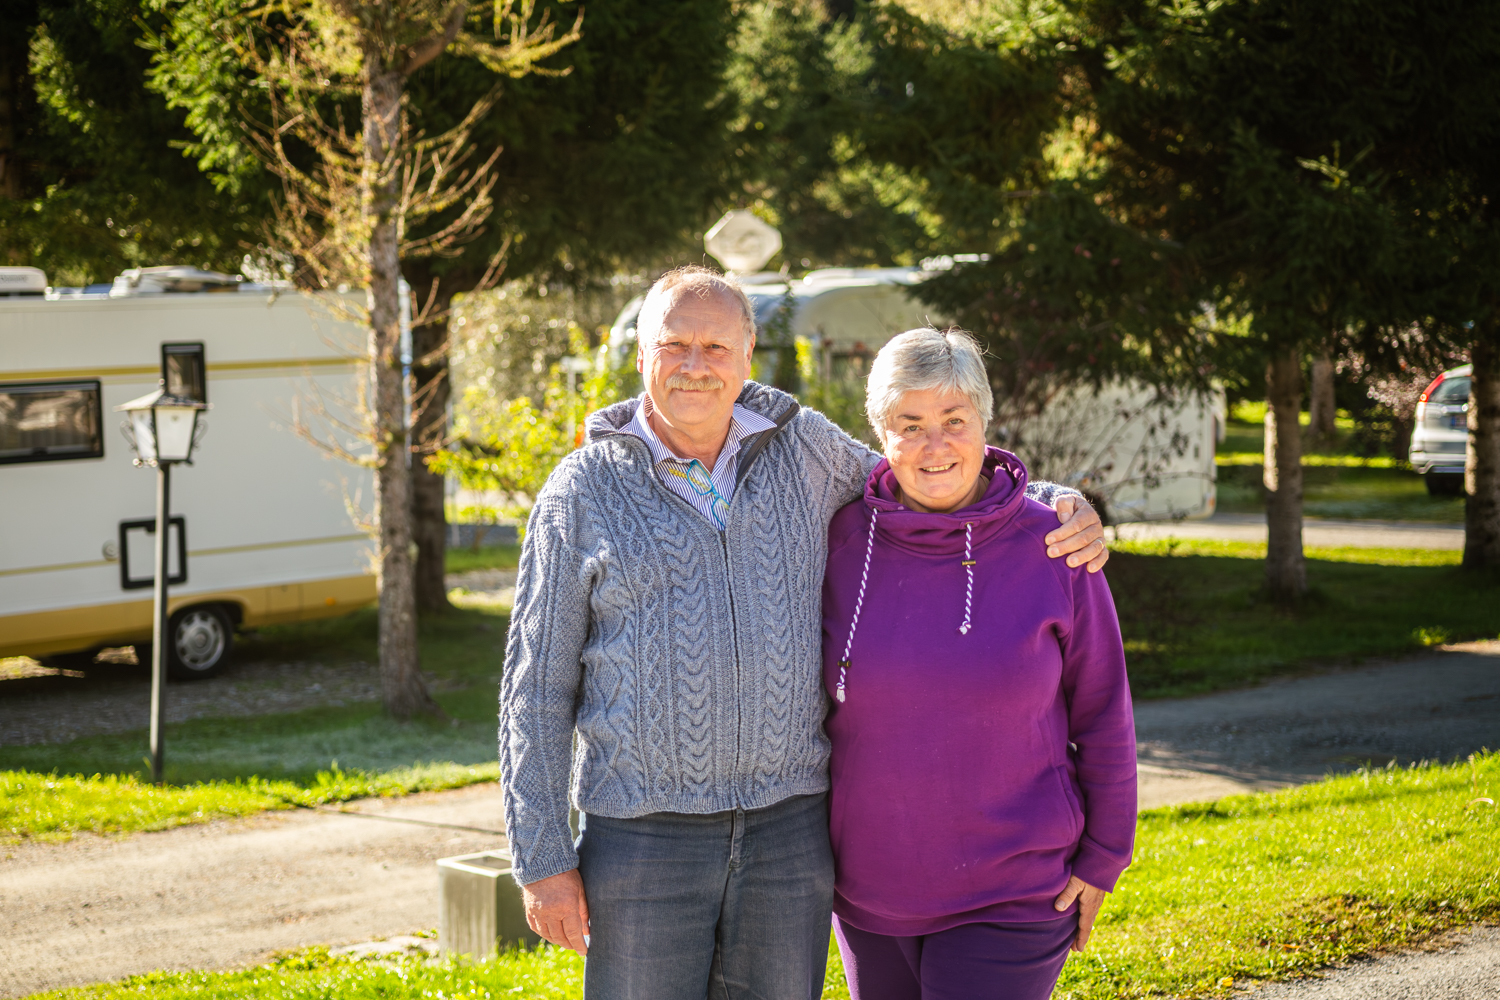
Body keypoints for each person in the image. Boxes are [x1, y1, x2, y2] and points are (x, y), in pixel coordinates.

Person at [499, 266, 1111, 1000]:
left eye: (716, 347)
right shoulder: (581, 491)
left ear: (748, 354)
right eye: (675, 345)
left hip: (788, 836)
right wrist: (541, 858)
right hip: (643, 838)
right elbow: (534, 691)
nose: (696, 365)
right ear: (641, 355)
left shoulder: (804, 451)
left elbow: (928, 477)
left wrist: (1047, 502)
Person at [821, 327, 1137, 1000]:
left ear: (985, 425)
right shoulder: (840, 542)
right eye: (910, 424)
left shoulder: (1053, 545)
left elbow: (1103, 708)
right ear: (879, 432)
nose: (935, 446)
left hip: (1014, 894)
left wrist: (1106, 855)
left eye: (953, 421)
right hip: (870, 895)